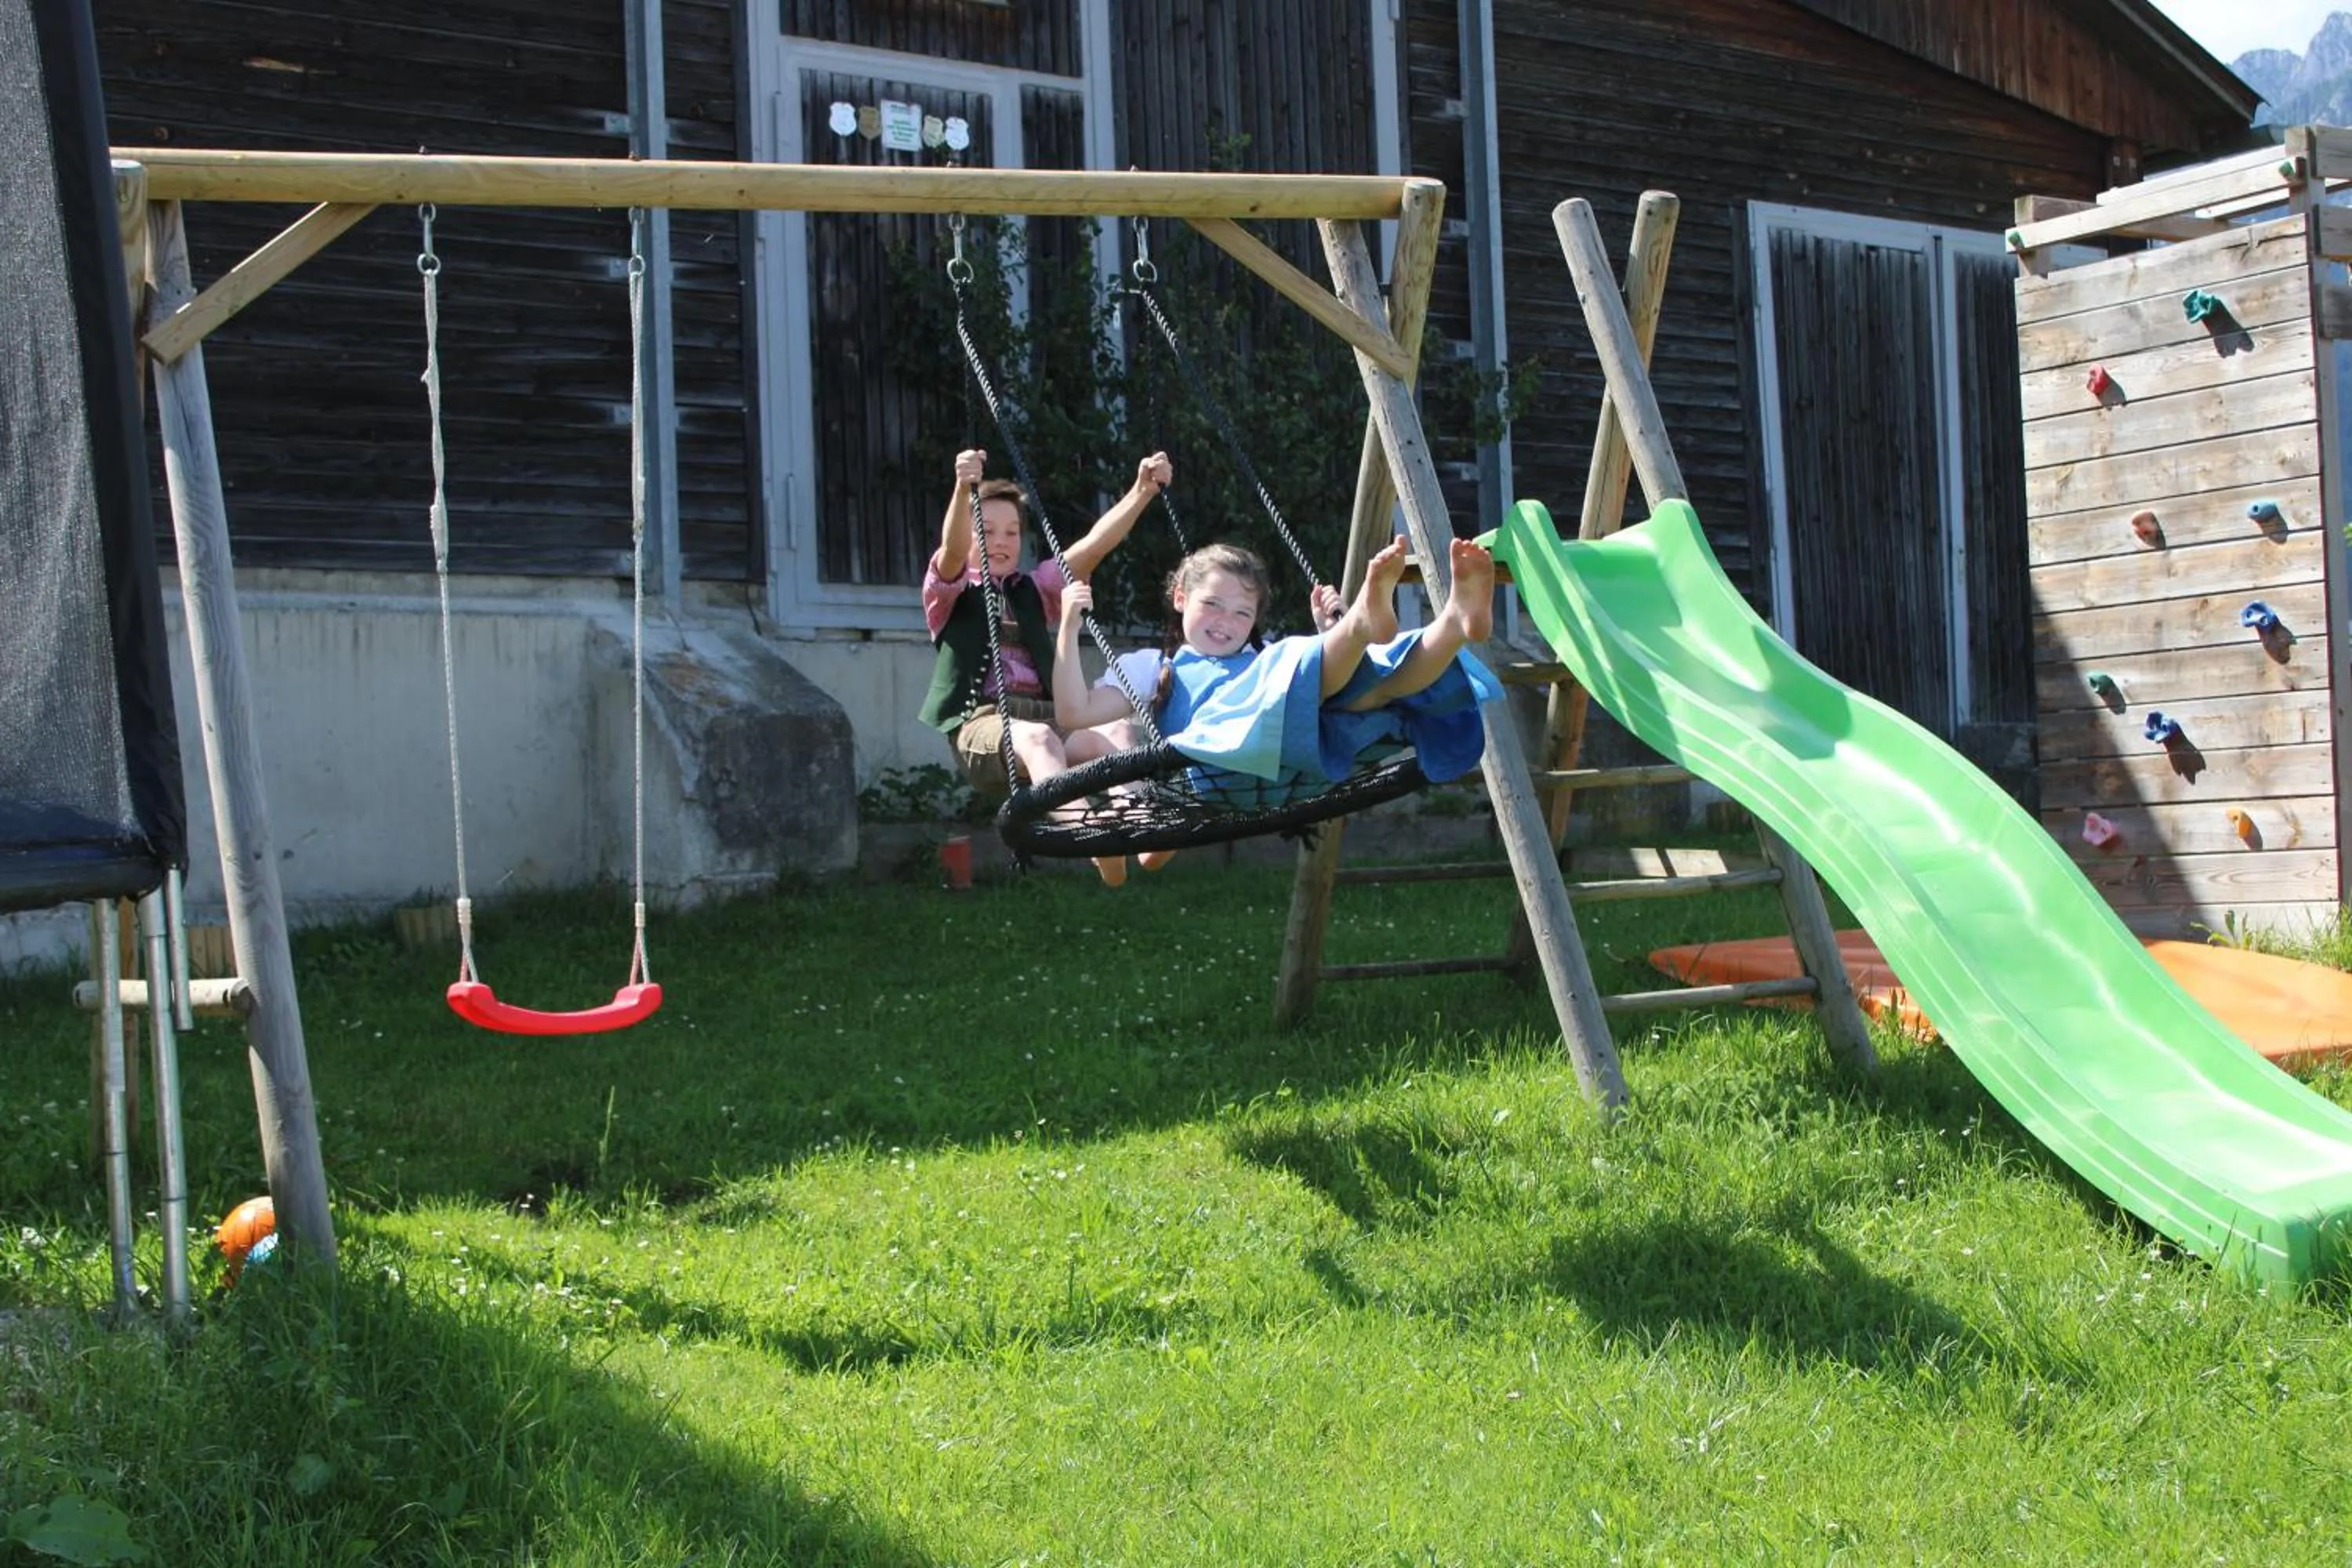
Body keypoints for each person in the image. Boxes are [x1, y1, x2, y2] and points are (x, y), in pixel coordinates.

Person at [1053, 533, 1501, 880]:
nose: (1225, 624)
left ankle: (1453, 624)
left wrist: (1329, 633)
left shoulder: (1262, 657)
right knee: (1296, 666)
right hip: (1227, 761)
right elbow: (1073, 714)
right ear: (1180, 599)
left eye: (1241, 614)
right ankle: (1359, 628)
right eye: (1212, 605)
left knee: (1378, 689)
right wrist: (1069, 630)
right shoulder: (1152, 667)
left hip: (1301, 761)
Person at [916, 446, 1169, 885]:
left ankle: (1144, 828)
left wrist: (1141, 493)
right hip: (983, 726)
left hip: (1046, 724)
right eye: (987, 530)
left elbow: (1092, 548)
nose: (1001, 540)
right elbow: (953, 549)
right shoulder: (949, 592)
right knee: (1037, 738)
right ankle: (1092, 840)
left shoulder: (1033, 589)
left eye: (1012, 533)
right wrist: (963, 488)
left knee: (1117, 733)